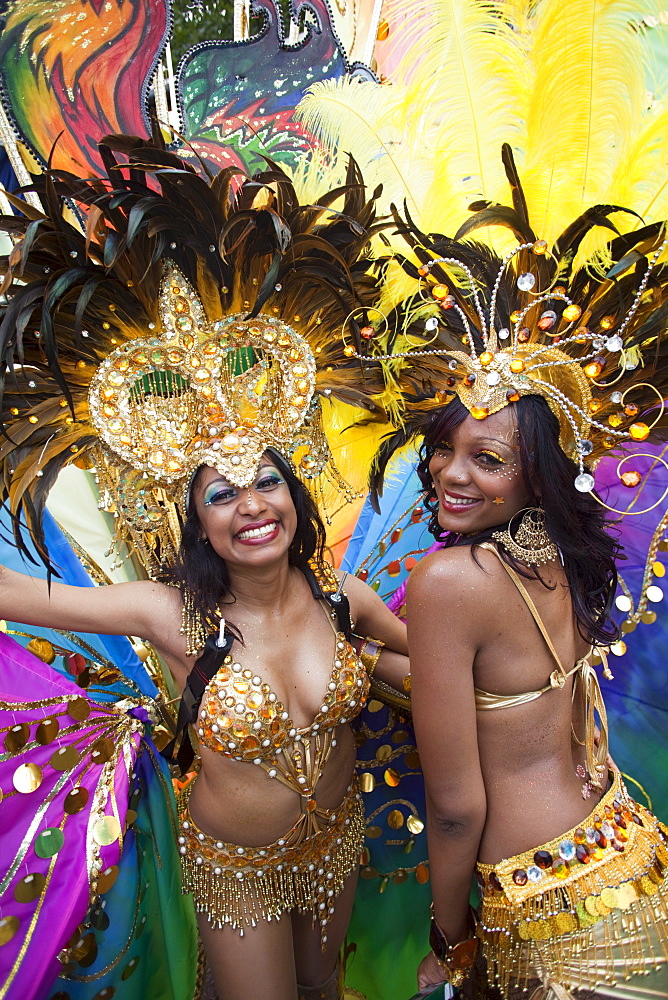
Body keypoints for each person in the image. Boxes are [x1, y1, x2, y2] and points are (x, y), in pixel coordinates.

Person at [0, 135, 409, 1000]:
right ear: (195, 520)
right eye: (222, 495)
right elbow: (17, 591)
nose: (252, 505)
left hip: (336, 836)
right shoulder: (167, 613)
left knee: (327, 994)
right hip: (237, 867)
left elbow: (428, 667)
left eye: (267, 482)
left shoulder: (343, 594)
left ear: (295, 497)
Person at [368, 176, 668, 998]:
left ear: (537, 477)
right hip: (625, 849)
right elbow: (502, 694)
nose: (449, 474)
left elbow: (459, 803)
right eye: (445, 447)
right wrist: (366, 647)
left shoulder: (449, 580)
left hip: (543, 904)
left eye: (488, 460)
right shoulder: (561, 556)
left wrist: (449, 933)